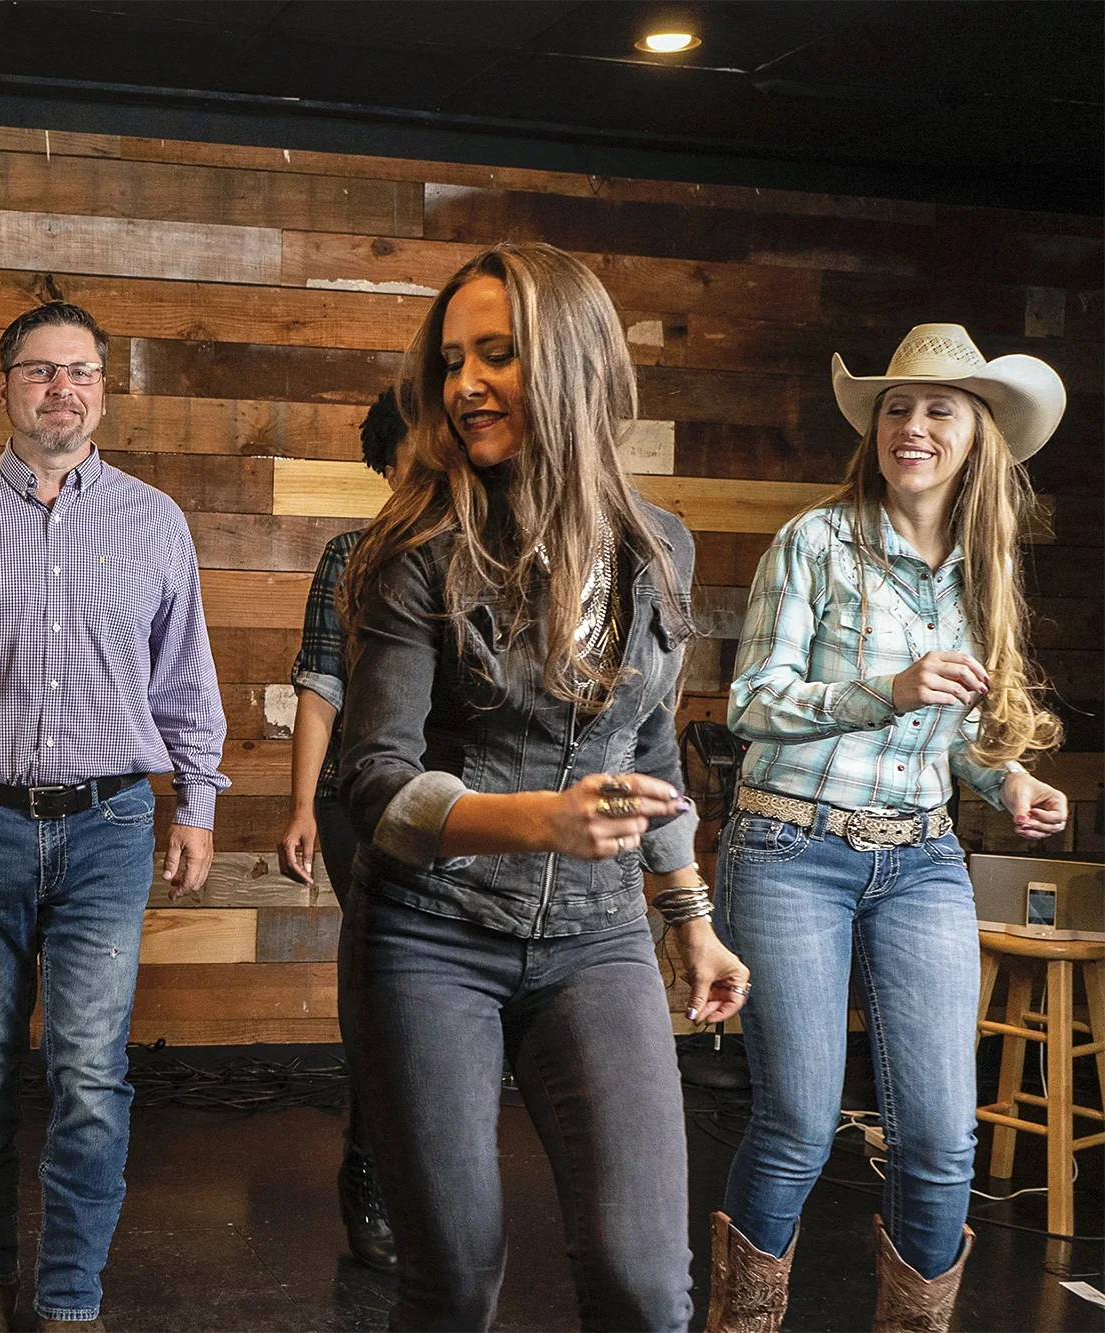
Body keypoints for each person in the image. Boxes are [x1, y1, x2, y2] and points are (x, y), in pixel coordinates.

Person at [336, 242, 752, 1332]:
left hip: (597, 939)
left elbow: (649, 751)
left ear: (569, 363)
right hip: (430, 936)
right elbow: (372, 781)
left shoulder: (659, 546)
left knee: (643, 1281)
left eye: (497, 355)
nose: (463, 383)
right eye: (451, 360)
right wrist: (536, 821)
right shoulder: (413, 546)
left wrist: (688, 918)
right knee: (453, 1278)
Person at [0, 300, 228, 1331]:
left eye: (80, 373)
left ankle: (68, 1299)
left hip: (110, 828)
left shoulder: (152, 521)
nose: (60, 390)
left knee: (90, 1072)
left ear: (102, 389)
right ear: (4, 384)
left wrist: (194, 806)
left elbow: (184, 677)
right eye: (38, 372)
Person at [707, 324, 1069, 1333]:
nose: (909, 424)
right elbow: (752, 702)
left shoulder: (981, 569)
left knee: (941, 1139)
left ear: (976, 437)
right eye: (894, 408)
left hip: (920, 857)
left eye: (935, 409)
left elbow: (952, 734)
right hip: (790, 846)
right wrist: (884, 689)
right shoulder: (813, 541)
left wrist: (1008, 784)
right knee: (794, 1125)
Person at [279, 388, 407, 1273]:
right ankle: (370, 1171)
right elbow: (320, 682)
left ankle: (426, 1176)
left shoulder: (497, 551)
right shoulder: (351, 555)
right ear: (391, 456)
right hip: (360, 800)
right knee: (386, 980)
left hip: (475, 806)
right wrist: (297, 804)